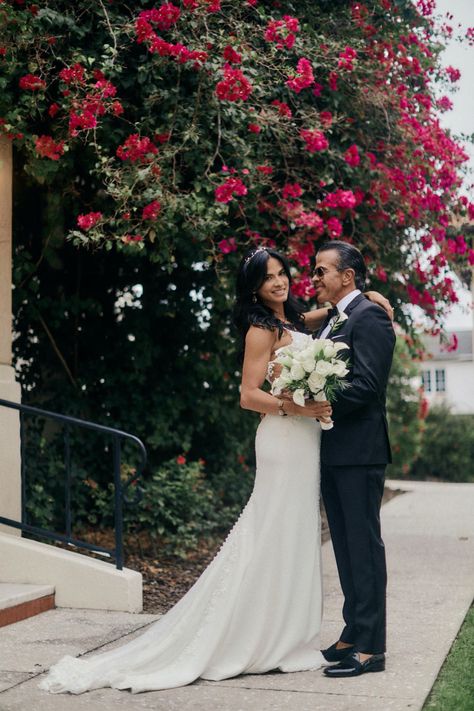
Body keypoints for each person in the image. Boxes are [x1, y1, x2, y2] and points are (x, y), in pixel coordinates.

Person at [39, 246, 391, 695]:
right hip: (288, 437)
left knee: (306, 539)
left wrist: (370, 296)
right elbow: (248, 394)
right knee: (279, 534)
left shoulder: (306, 319)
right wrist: (297, 406)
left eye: (284, 273)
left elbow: (335, 319)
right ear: (254, 288)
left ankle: (341, 639)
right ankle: (277, 635)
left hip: (320, 445)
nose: (282, 281)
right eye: (269, 278)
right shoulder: (261, 328)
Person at [311, 241, 396, 678]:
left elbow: (367, 386)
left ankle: (372, 648)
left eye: (322, 270)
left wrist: (314, 398)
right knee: (344, 547)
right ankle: (352, 631)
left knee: (364, 547)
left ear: (348, 275)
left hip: (360, 452)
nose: (316, 277)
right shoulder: (333, 320)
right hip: (332, 451)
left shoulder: (370, 316)